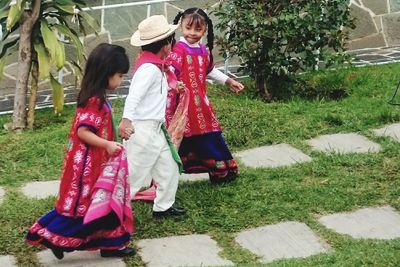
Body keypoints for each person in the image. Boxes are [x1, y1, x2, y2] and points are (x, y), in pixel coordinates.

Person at [26, 43, 135, 259]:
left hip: (97, 161)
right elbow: (83, 131)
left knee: (104, 204)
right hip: (87, 166)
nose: (121, 80)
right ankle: (54, 237)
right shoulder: (94, 99)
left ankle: (110, 244)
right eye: (120, 75)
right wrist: (106, 145)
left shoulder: (95, 94)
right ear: (106, 74)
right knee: (87, 209)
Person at [166, 7, 245, 184]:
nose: (192, 33)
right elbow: (170, 72)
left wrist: (228, 81)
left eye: (198, 29)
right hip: (185, 105)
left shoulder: (203, 50)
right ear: (181, 27)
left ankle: (221, 170)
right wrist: (172, 84)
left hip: (201, 103)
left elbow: (209, 71)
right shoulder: (178, 50)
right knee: (187, 136)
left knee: (210, 132)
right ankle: (167, 173)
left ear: (205, 30)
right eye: (188, 28)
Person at [118, 15, 186, 218]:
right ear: (166, 45)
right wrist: (126, 120)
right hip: (142, 130)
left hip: (156, 129)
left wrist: (174, 85)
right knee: (134, 175)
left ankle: (163, 206)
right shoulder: (149, 70)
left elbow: (157, 90)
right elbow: (134, 97)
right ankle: (112, 212)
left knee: (169, 166)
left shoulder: (157, 67)